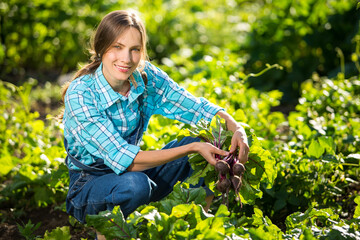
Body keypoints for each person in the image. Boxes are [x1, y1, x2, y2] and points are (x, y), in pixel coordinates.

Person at [60, 9, 249, 226]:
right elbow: (124, 160)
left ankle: (199, 225)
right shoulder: (81, 94)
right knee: (135, 185)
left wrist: (236, 128)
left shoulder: (146, 78)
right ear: (101, 48)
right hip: (90, 185)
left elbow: (197, 109)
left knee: (210, 141)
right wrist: (190, 149)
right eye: (117, 47)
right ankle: (107, 232)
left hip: (134, 172)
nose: (127, 59)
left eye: (135, 49)